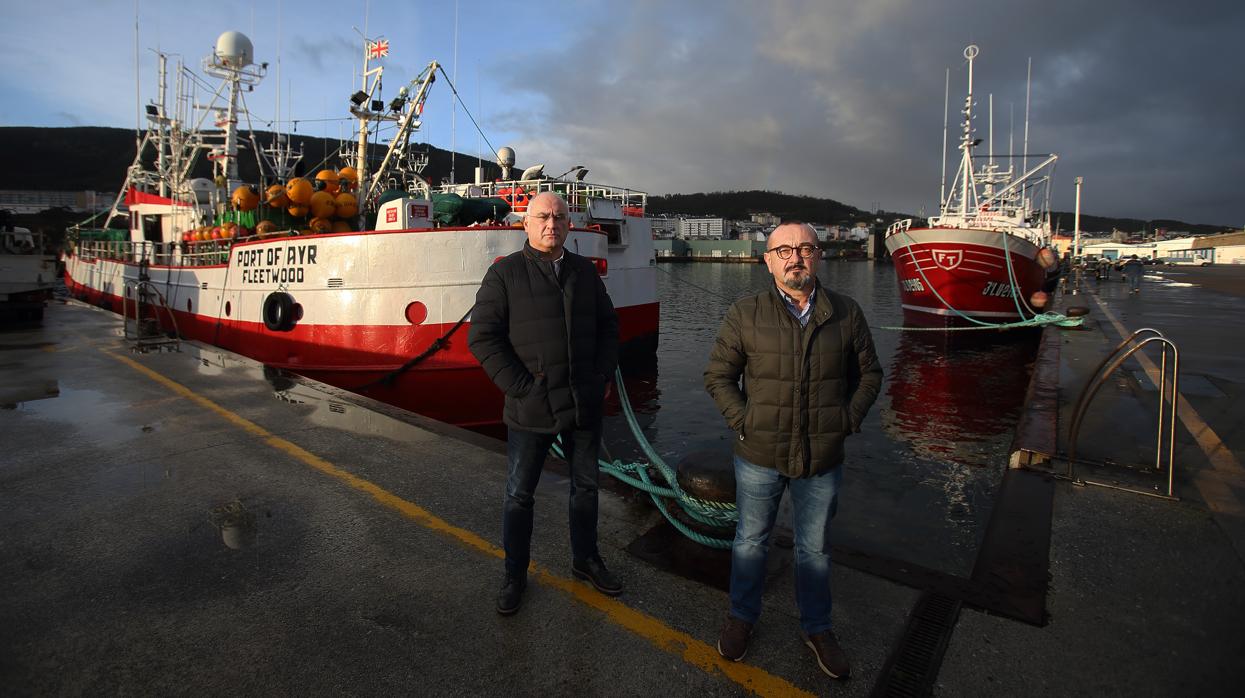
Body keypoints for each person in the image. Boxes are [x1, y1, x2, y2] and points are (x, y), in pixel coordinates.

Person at [704, 221, 882, 680]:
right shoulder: (746, 313)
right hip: (759, 453)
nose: (795, 257)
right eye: (783, 250)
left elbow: (870, 376)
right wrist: (744, 421)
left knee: (815, 548)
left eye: (804, 248)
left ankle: (818, 627)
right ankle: (742, 617)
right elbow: (719, 376)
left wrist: (846, 420)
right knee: (749, 541)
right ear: (768, 261)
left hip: (822, 456)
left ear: (819, 255)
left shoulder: (846, 312)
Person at [468, 191, 622, 616]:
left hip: (583, 403)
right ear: (526, 223)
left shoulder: (584, 273)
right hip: (530, 408)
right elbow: (482, 337)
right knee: (519, 495)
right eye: (542, 217)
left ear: (568, 224)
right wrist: (522, 387)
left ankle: (585, 559)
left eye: (558, 217)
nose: (551, 224)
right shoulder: (505, 275)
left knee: (586, 487)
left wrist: (602, 375)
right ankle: (515, 573)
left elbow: (609, 326)